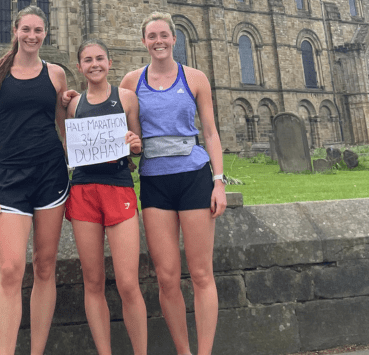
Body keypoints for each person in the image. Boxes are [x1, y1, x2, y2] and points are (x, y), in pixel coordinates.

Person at [119, 12, 227, 355]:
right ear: (144, 42)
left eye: (164, 35)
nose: (159, 41)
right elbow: (106, 118)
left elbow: (209, 131)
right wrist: (70, 103)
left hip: (194, 177)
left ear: (174, 39)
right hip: (154, 182)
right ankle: (183, 350)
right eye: (152, 36)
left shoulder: (194, 77)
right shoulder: (131, 81)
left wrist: (218, 181)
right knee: (167, 278)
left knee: (200, 274)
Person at [0, 6, 69, 355]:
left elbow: (66, 128)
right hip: (12, 178)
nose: (33, 36)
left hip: (51, 176)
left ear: (46, 33)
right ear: (15, 31)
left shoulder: (57, 74)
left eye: (39, 30)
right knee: (11, 269)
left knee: (45, 266)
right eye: (26, 29)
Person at [65, 39, 147, 355]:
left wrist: (135, 143)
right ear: (80, 66)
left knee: (128, 283)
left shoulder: (126, 98)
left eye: (100, 58)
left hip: (118, 187)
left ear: (109, 63)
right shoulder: (73, 105)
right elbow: (69, 146)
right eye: (88, 60)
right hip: (84, 190)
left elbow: (138, 146)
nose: (95, 64)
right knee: (93, 283)